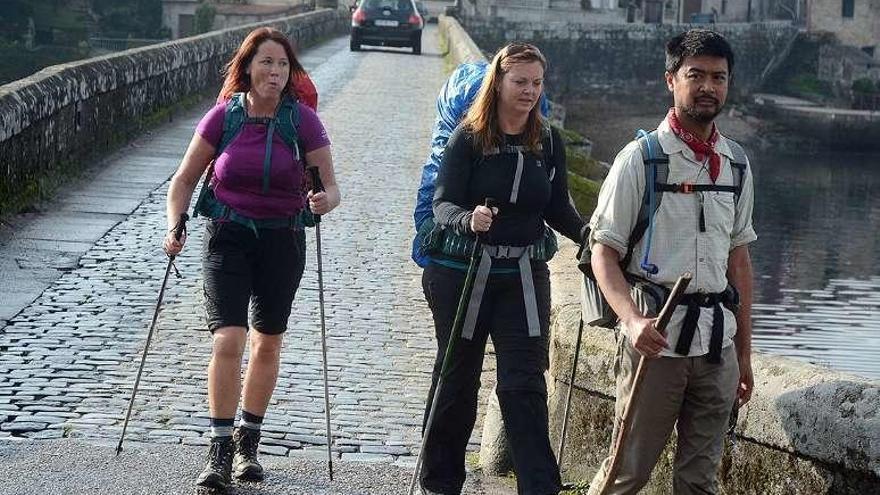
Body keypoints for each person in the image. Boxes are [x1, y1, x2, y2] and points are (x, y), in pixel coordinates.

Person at [163, 27, 340, 494]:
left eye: (282, 65)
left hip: (283, 239)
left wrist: (323, 201)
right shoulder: (223, 117)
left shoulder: (302, 122)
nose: (274, 72)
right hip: (228, 235)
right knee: (228, 339)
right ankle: (219, 448)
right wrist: (175, 223)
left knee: (267, 343)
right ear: (247, 68)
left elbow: (331, 187)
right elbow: (182, 181)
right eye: (266, 63)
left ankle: (248, 441)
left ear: (290, 72)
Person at [586, 29, 755, 494]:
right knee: (627, 473)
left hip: (716, 347)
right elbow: (603, 252)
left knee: (699, 482)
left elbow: (738, 259)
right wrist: (633, 321)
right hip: (656, 346)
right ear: (671, 80)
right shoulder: (641, 160)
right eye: (695, 75)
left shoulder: (736, 164)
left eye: (718, 77)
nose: (708, 87)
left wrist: (743, 354)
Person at [420, 42, 587, 495]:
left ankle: (539, 488)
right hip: (463, 272)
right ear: (499, 83)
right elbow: (442, 203)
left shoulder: (547, 141)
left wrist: (591, 238)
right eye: (520, 82)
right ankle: (438, 483)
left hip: (522, 278)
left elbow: (557, 206)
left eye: (537, 83)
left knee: (525, 385)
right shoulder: (469, 137)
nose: (530, 91)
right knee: (457, 378)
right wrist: (467, 219)